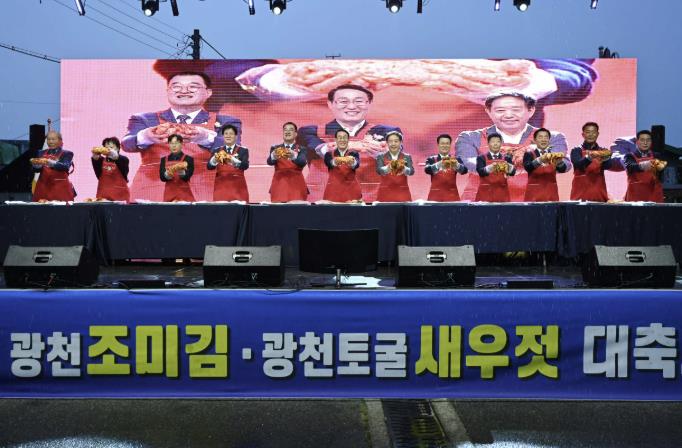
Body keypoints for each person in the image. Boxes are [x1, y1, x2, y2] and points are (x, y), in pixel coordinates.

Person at [122, 71, 241, 202]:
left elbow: (234, 150)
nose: (184, 91)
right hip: (153, 188)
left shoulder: (226, 121)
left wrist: (204, 138)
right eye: (176, 86)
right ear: (168, 91)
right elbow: (127, 144)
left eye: (193, 86)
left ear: (208, 92)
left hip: (206, 190)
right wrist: (146, 136)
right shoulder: (145, 119)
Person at [455, 91, 568, 202]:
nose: (508, 115)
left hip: (536, 205)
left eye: (516, 110)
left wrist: (546, 159)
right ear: (488, 111)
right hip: (482, 204)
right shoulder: (470, 137)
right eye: (500, 110)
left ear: (531, 110)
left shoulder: (552, 137)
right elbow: (466, 163)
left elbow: (565, 165)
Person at [297, 84, 401, 202]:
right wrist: (353, 145)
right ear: (330, 104)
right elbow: (317, 148)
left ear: (369, 104)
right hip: (321, 203)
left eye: (359, 101)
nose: (351, 106)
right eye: (343, 101)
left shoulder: (387, 131)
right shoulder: (310, 132)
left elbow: (396, 160)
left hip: (369, 204)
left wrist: (382, 154)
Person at [570, 122, 624, 202]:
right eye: (588, 132)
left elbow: (608, 166)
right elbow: (578, 165)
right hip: (580, 194)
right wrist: (590, 157)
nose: (591, 135)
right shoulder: (576, 150)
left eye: (593, 132)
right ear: (583, 134)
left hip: (598, 193)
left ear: (597, 134)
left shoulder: (604, 151)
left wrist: (605, 158)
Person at [523, 128, 572, 202]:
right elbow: (528, 167)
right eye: (540, 137)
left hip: (551, 194)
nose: (543, 140)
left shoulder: (553, 154)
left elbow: (562, 170)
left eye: (546, 137)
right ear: (535, 140)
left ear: (549, 140)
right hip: (534, 195)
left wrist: (560, 163)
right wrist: (540, 160)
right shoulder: (529, 153)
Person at [267, 122, 308, 202]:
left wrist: (293, 156)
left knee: (297, 208)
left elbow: (302, 162)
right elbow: (269, 162)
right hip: (279, 185)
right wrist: (273, 156)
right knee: (278, 209)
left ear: (295, 134)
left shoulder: (302, 149)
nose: (287, 132)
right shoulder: (275, 148)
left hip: (297, 186)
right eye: (285, 130)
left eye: (291, 130)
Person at [207, 124, 249, 202]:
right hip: (221, 187)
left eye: (231, 134)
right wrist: (214, 161)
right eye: (226, 134)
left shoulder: (243, 150)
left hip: (238, 187)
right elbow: (209, 167)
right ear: (223, 136)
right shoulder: (216, 150)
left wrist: (233, 160)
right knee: (221, 208)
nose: (228, 136)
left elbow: (245, 166)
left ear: (236, 136)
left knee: (239, 209)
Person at [31, 131, 76, 202]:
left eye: (53, 139)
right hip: (43, 186)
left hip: (60, 187)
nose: (50, 141)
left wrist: (49, 162)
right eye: (48, 139)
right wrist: (37, 166)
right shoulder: (41, 152)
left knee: (61, 208)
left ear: (60, 140)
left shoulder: (67, 153)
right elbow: (36, 170)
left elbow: (65, 166)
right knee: (40, 207)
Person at [623, 130, 665, 203]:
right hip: (636, 194)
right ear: (637, 142)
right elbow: (630, 167)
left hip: (654, 193)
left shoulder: (657, 156)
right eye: (642, 140)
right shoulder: (629, 156)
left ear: (651, 142)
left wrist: (661, 169)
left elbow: (661, 175)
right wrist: (645, 165)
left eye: (648, 140)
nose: (645, 143)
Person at [424, 134, 468, 202]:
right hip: (434, 198)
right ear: (438, 145)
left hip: (452, 198)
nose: (445, 146)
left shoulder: (456, 159)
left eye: (447, 143)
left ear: (450, 145)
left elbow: (464, 171)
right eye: (442, 143)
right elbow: (427, 170)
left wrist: (456, 165)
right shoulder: (431, 159)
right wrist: (440, 163)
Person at [322, 129, 362, 202]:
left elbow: (356, 164)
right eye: (340, 138)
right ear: (336, 140)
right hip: (334, 191)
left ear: (348, 140)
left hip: (351, 190)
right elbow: (329, 163)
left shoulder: (354, 153)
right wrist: (336, 161)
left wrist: (352, 161)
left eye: (344, 137)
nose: (342, 140)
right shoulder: (329, 154)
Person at [475, 133, 516, 202]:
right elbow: (480, 172)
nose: (495, 144)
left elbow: (513, 173)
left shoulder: (506, 157)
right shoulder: (481, 157)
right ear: (488, 144)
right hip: (485, 193)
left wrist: (508, 167)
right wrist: (490, 168)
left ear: (501, 144)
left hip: (502, 193)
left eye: (498, 141)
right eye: (493, 141)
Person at [375, 131, 414, 202]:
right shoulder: (380, 156)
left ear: (401, 142)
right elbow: (379, 171)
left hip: (402, 193)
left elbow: (411, 171)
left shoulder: (407, 156)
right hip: (385, 192)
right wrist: (388, 168)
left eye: (396, 141)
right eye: (390, 141)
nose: (393, 144)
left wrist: (403, 168)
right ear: (387, 143)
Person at [91, 137, 130, 202]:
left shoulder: (124, 160)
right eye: (106, 147)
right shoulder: (100, 161)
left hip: (120, 197)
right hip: (103, 197)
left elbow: (123, 165)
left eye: (111, 147)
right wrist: (95, 157)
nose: (109, 149)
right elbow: (96, 164)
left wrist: (117, 157)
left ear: (118, 148)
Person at [160, 134, 194, 202]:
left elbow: (187, 177)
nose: (174, 146)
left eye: (176, 143)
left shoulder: (188, 159)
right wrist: (167, 174)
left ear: (181, 144)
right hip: (169, 194)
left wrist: (181, 172)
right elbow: (162, 178)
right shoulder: (163, 159)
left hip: (184, 194)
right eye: (171, 143)